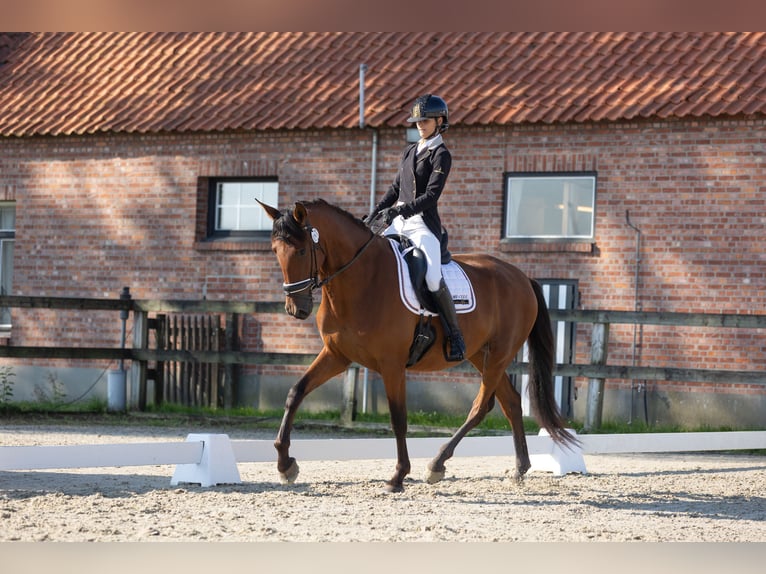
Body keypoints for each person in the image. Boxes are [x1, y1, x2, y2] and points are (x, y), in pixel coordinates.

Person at [366, 93, 466, 362]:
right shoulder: (410, 151)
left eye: (425, 120)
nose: (420, 124)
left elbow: (431, 196)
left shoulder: (441, 155)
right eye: (417, 120)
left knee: (433, 277)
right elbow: (396, 188)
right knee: (368, 255)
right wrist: (374, 213)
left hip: (422, 224)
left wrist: (400, 209)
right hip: (398, 221)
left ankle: (455, 334)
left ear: (440, 121)